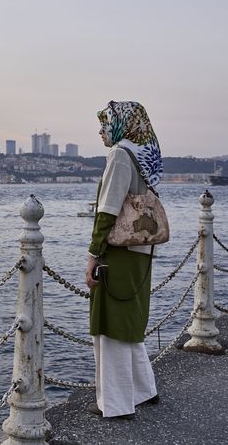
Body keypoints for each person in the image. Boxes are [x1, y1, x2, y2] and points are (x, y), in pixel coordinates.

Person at [84, 100, 163, 419]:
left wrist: (92, 254)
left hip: (118, 252)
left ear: (121, 125)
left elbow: (108, 209)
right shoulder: (145, 152)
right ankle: (144, 391)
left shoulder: (119, 154)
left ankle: (115, 405)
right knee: (129, 320)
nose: (101, 130)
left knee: (110, 323)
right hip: (140, 250)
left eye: (105, 124)